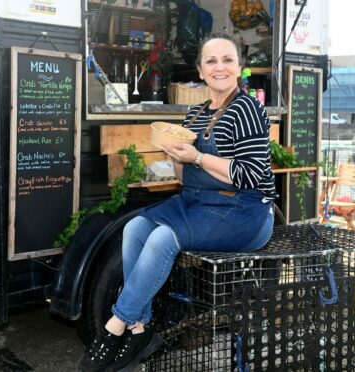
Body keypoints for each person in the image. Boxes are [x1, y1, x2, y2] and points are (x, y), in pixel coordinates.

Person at [77, 33, 277, 372]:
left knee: (162, 238)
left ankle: (115, 327)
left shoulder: (248, 109)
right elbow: (185, 182)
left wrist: (197, 156)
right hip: (200, 203)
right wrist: (176, 157)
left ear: (239, 67)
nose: (220, 67)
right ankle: (140, 328)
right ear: (200, 70)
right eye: (211, 61)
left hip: (244, 211)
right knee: (136, 228)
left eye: (227, 59)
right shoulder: (195, 115)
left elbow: (250, 175)